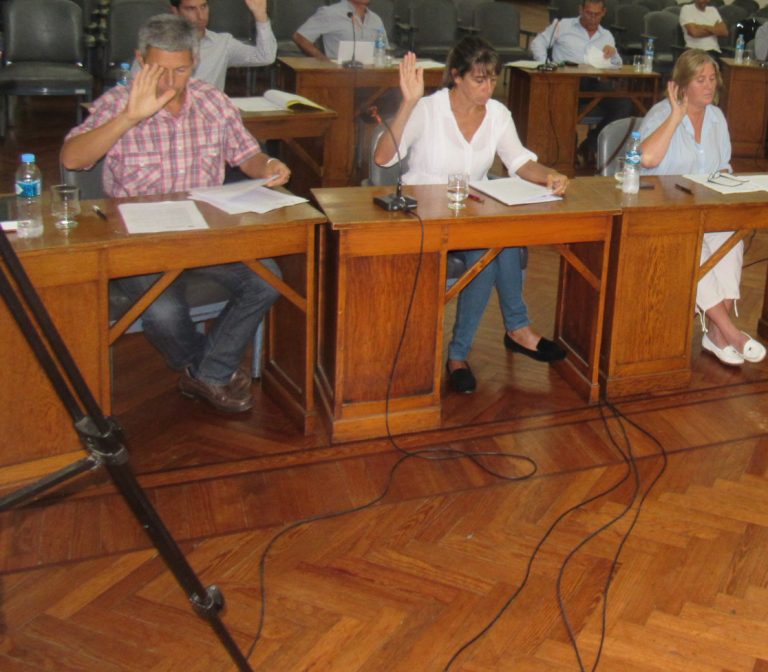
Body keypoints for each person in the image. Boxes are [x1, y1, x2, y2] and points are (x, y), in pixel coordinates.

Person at [61, 14, 292, 412]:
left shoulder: (212, 102)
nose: (170, 81)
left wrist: (267, 166)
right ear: (140, 60)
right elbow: (72, 159)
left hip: (205, 232)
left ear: (195, 62)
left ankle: (206, 372)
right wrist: (129, 117)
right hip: (138, 240)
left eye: (180, 70)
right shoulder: (118, 103)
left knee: (267, 279)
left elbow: (246, 155)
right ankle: (211, 369)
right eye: (159, 70)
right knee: (164, 311)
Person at [373, 37, 569, 394]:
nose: (487, 88)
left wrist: (550, 175)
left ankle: (491, 341)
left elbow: (519, 161)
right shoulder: (428, 109)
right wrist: (408, 102)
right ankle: (484, 344)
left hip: (472, 213)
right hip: (425, 217)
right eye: (479, 79)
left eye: (492, 79)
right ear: (456, 76)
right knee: (489, 253)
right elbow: (383, 158)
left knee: (498, 242)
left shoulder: (498, 114)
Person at [639, 49, 766, 366]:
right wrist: (676, 116)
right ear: (681, 85)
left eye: (712, 79)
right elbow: (647, 160)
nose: (709, 86)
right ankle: (731, 332)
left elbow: (722, 167)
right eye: (700, 80)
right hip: (661, 212)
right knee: (692, 247)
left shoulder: (716, 118)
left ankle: (716, 335)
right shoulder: (660, 114)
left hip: (704, 208)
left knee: (732, 238)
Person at [531, 0, 631, 164]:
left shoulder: (606, 35)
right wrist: (546, 65)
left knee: (624, 104)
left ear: (603, 13)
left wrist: (613, 54)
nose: (592, 18)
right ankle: (567, 149)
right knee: (564, 106)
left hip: (594, 83)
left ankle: (591, 144)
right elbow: (538, 43)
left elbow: (617, 65)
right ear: (581, 10)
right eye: (589, 13)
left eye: (597, 14)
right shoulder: (563, 26)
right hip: (565, 82)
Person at [168, 0, 276, 91]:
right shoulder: (162, 45)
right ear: (175, 11)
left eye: (203, 6)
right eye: (191, 9)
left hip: (211, 108)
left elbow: (266, 57)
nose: (200, 15)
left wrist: (261, 16)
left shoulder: (223, 43)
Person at [293, 0, 387, 62]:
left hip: (371, 77)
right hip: (339, 77)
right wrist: (323, 61)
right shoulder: (330, 13)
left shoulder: (376, 19)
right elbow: (300, 37)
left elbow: (383, 48)